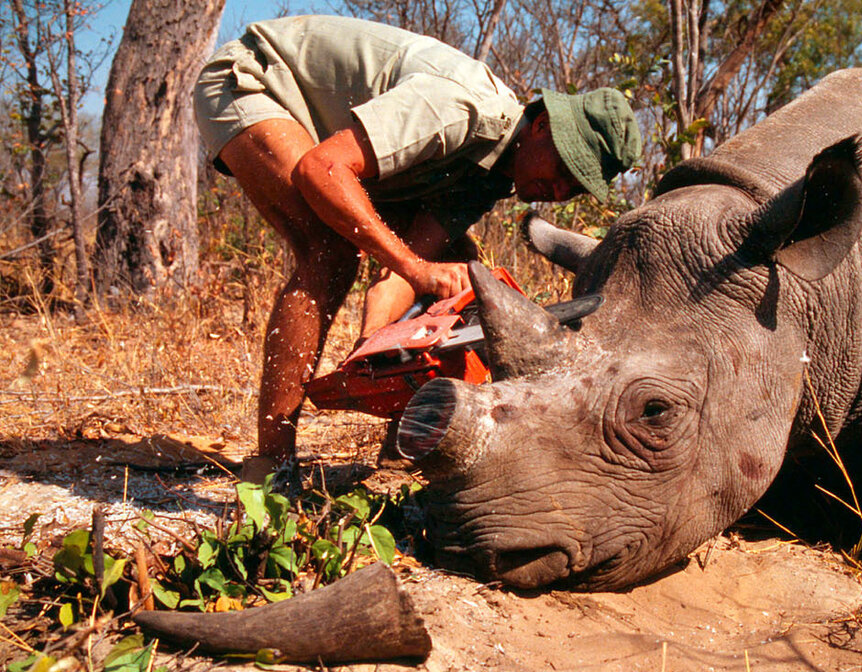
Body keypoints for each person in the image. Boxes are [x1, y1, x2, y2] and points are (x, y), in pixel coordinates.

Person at [192, 15, 642, 487]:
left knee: (454, 263)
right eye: (565, 168)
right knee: (329, 252)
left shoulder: (489, 177)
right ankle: (271, 470)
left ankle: (402, 453)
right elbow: (322, 169)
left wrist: (377, 345)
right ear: (541, 125)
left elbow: (409, 268)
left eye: (576, 186)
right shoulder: (460, 108)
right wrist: (414, 267)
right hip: (256, 79)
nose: (561, 190)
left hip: (326, 137)